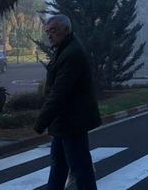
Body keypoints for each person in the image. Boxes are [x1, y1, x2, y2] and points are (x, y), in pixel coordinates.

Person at [34, 14, 102, 190]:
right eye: (47, 31)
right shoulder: (64, 50)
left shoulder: (71, 54)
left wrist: (41, 122)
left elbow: (59, 92)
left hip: (72, 121)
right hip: (64, 120)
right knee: (60, 165)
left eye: (53, 31)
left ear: (66, 30)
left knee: (80, 168)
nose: (49, 35)